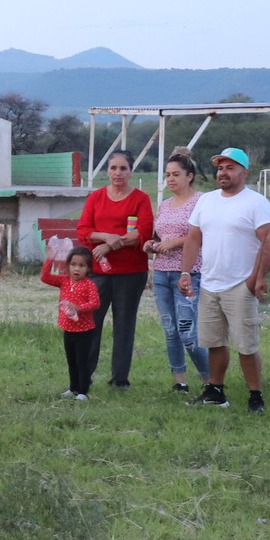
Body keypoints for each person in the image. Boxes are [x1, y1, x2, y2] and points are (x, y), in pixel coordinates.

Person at [178, 148, 270, 413]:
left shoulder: (255, 202)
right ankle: (215, 390)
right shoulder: (207, 200)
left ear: (245, 172)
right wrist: (185, 272)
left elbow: (268, 242)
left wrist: (256, 278)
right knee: (214, 342)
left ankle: (255, 395)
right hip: (209, 283)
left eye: (230, 167)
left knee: (246, 344)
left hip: (239, 285)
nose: (223, 172)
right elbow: (194, 238)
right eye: (220, 167)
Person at [75, 151, 156, 389]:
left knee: (124, 325)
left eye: (123, 168)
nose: (117, 173)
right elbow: (83, 230)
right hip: (98, 272)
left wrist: (110, 245)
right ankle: (83, 377)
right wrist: (105, 236)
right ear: (107, 171)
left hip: (130, 273)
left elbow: (142, 232)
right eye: (113, 168)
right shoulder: (96, 197)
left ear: (131, 172)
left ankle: (120, 379)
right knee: (90, 323)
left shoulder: (141, 199)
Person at [145, 150, 211, 396]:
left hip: (188, 272)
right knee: (170, 329)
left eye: (176, 174)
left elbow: (201, 235)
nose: (170, 179)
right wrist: (151, 244)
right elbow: (159, 235)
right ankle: (180, 381)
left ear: (190, 176)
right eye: (167, 175)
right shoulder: (164, 205)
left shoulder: (201, 201)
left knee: (187, 331)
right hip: (162, 272)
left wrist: (173, 243)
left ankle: (210, 381)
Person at [40, 245, 102, 399]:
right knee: (71, 360)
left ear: (88, 268)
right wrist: (50, 258)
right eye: (73, 265)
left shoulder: (89, 285)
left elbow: (95, 303)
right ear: (67, 266)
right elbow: (45, 277)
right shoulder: (64, 281)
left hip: (84, 331)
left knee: (82, 361)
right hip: (68, 329)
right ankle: (73, 388)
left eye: (81, 266)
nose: (77, 269)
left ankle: (83, 391)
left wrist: (79, 308)